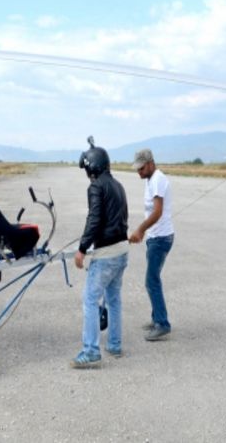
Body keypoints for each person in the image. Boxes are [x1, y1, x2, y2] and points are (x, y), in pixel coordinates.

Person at [71, 137, 129, 369]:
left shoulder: (96, 186)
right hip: (122, 251)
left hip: (105, 255)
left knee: (90, 300)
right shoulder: (118, 185)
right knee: (113, 300)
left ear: (92, 167)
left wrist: (82, 249)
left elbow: (94, 219)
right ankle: (114, 344)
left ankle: (91, 351)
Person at [129, 148, 175, 342]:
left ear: (149, 164)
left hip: (161, 239)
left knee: (151, 281)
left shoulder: (158, 179)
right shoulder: (150, 179)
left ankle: (163, 324)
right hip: (154, 238)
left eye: (140, 168)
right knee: (153, 279)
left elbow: (157, 212)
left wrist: (140, 230)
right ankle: (157, 318)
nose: (138, 172)